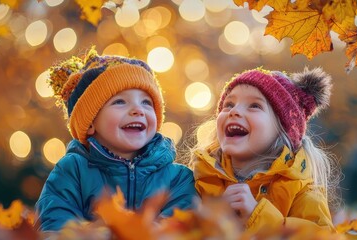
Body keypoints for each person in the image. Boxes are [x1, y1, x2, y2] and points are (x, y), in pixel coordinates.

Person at [36, 47, 197, 232]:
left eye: (146, 102)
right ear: (89, 123)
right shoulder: (73, 171)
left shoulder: (177, 178)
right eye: (120, 102)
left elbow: (180, 230)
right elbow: (54, 225)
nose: (138, 110)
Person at [189, 67, 340, 233]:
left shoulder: (301, 192)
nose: (234, 111)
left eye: (254, 106)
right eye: (229, 104)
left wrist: (258, 215)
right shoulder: (201, 178)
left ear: (283, 129)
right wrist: (213, 219)